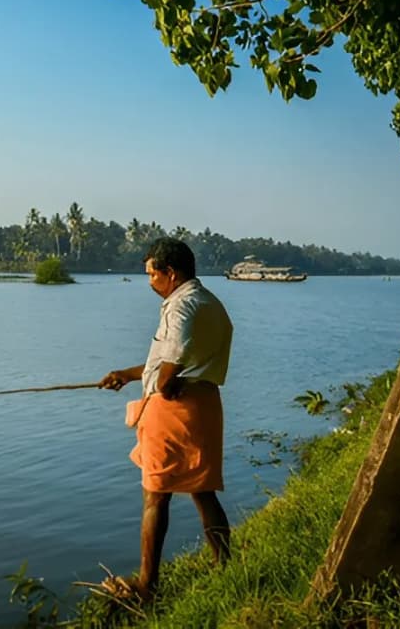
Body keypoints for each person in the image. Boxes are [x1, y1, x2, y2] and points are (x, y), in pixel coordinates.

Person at [98, 237, 233, 601]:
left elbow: (172, 362)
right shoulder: (210, 302)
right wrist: (128, 374)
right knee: (203, 491)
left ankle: (147, 585)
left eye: (152, 274)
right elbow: (176, 360)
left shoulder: (180, 307)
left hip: (174, 409)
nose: (150, 282)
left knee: (155, 497)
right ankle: (227, 567)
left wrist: (163, 385)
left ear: (170, 273)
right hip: (204, 404)